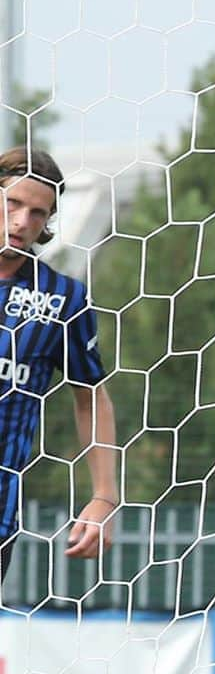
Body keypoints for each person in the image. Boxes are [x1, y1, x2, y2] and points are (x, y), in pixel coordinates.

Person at [0, 147, 117, 584]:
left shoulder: (62, 298)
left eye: (37, 213)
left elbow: (91, 397)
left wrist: (104, 496)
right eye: (12, 203)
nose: (22, 222)